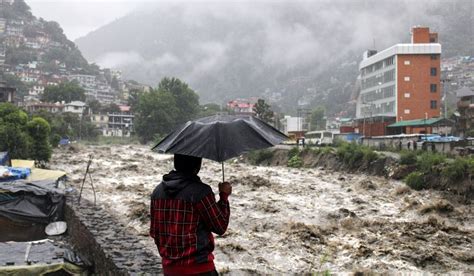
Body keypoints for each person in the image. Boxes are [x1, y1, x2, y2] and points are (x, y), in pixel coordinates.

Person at [150, 154, 231, 275]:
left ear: (176, 163)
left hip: (170, 270)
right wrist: (224, 197)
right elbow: (220, 226)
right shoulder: (201, 192)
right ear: (197, 166)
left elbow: (154, 232)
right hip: (199, 269)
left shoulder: (157, 192)